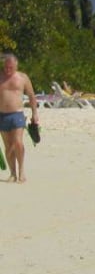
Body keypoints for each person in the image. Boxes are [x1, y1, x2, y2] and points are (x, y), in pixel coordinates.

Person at [1, 53, 39, 183]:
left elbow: (32, 96)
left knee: (18, 142)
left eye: (10, 67)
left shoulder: (23, 78)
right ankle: (12, 173)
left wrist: (35, 113)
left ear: (16, 65)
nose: (7, 70)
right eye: (6, 67)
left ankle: (21, 171)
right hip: (2, 115)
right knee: (8, 146)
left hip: (17, 114)